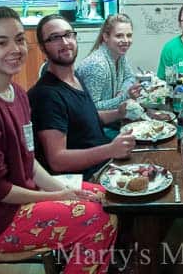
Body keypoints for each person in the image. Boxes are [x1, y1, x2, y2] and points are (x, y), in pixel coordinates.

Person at [0, 7, 116, 273]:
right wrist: (60, 195)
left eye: (19, 39)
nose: (15, 48)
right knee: (97, 220)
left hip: (22, 197)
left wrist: (59, 191)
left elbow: (29, 160)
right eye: (1, 42)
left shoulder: (16, 93)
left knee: (109, 198)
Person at [28, 14, 136, 180]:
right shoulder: (46, 95)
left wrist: (118, 113)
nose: (65, 42)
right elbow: (57, 160)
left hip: (105, 162)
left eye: (68, 35)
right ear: (43, 48)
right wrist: (110, 149)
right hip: (86, 178)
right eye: (55, 38)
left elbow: (86, 118)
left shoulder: (74, 78)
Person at [76, 13, 142, 110]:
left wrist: (121, 91)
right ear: (106, 37)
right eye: (119, 36)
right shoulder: (97, 65)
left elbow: (129, 77)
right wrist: (125, 97)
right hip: (92, 123)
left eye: (129, 35)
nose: (126, 40)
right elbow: (91, 109)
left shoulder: (119, 54)